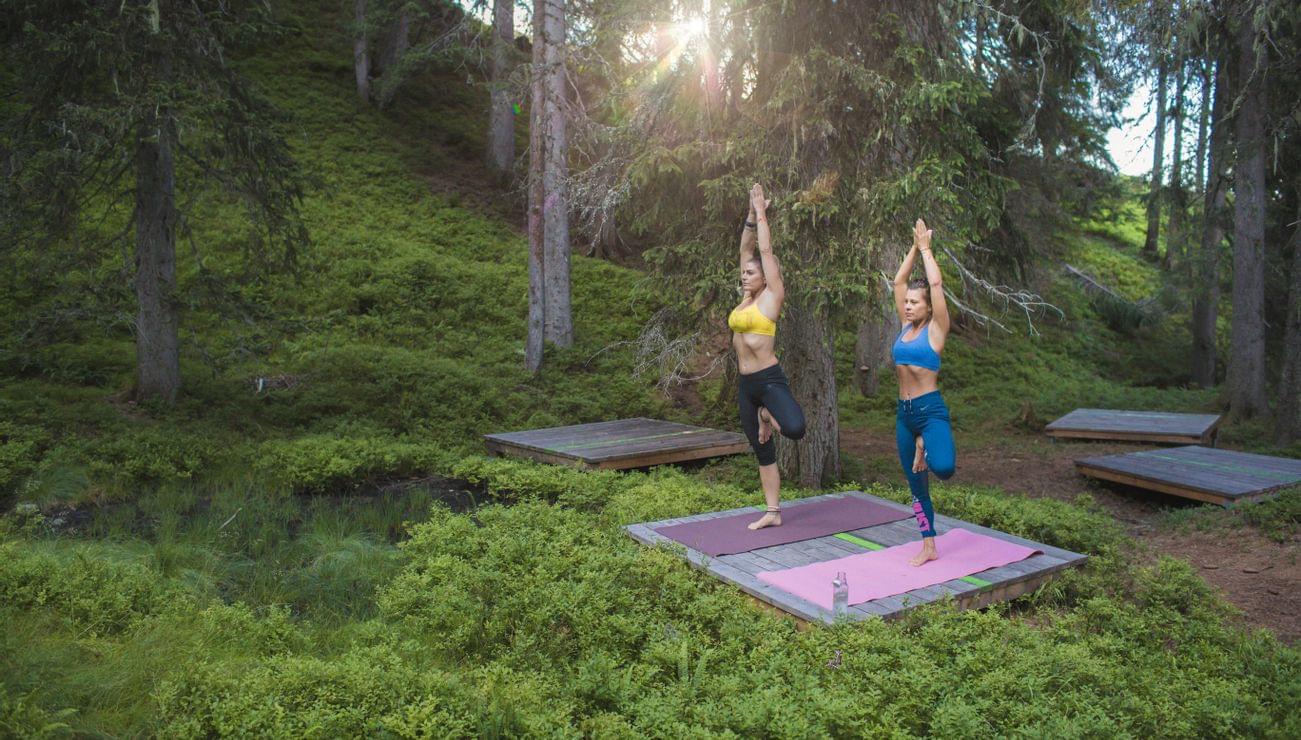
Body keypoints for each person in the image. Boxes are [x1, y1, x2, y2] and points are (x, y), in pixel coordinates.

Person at [730, 183, 806, 530]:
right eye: (744, 272)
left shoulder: (771, 297)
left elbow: (763, 248)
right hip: (746, 383)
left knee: (793, 427)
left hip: (768, 379)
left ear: (765, 277)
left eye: (751, 273)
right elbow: (747, 248)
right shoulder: (745, 298)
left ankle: (766, 412)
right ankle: (773, 512)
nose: (745, 276)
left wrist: (762, 214)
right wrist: (748, 215)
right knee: (762, 451)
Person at [891, 218, 956, 565]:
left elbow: (935, 282)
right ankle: (928, 543)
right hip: (905, 415)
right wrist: (914, 248)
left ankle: (925, 445)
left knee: (943, 468)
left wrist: (928, 251)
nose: (909, 305)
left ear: (929, 307)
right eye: (907, 302)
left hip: (930, 412)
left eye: (916, 302)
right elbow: (899, 280)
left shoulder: (936, 331)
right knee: (916, 486)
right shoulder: (904, 328)